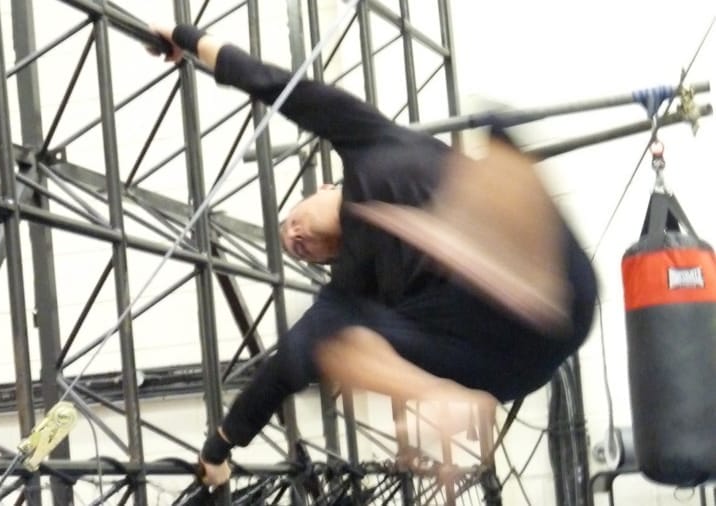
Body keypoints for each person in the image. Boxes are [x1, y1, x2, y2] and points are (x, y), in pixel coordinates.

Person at [149, 24, 598, 487]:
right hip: (494, 359)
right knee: (325, 337)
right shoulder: (349, 293)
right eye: (300, 252)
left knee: (491, 145)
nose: (297, 238)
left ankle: (500, 261)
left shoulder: (367, 139)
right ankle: (442, 382)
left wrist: (188, 39)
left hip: (549, 282)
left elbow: (277, 85)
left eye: (292, 222)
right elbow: (279, 374)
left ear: (326, 185)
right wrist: (217, 450)